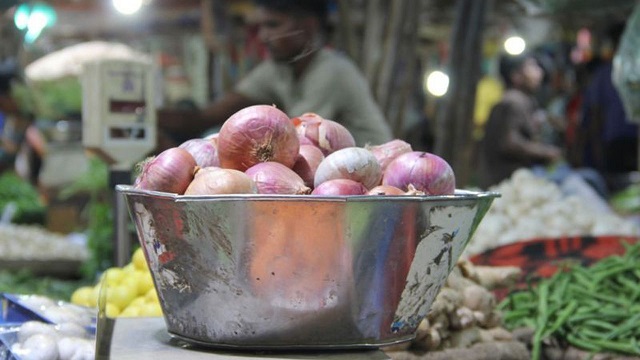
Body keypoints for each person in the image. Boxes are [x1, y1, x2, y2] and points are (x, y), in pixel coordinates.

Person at [157, 0, 393, 151]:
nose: (263, 36)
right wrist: (146, 119)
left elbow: (295, 140)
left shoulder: (334, 71)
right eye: (261, 27)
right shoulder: (277, 69)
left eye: (273, 25)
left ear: (309, 27)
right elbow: (208, 116)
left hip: (367, 181)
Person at [476, 52, 563, 189]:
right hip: (506, 181)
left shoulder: (522, 100)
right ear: (516, 76)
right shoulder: (513, 101)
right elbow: (510, 143)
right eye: (531, 67)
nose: (538, 72)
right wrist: (546, 152)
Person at [581, 21, 638, 174]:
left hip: (619, 139)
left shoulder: (603, 74)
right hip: (617, 140)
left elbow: (595, 115)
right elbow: (596, 114)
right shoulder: (604, 74)